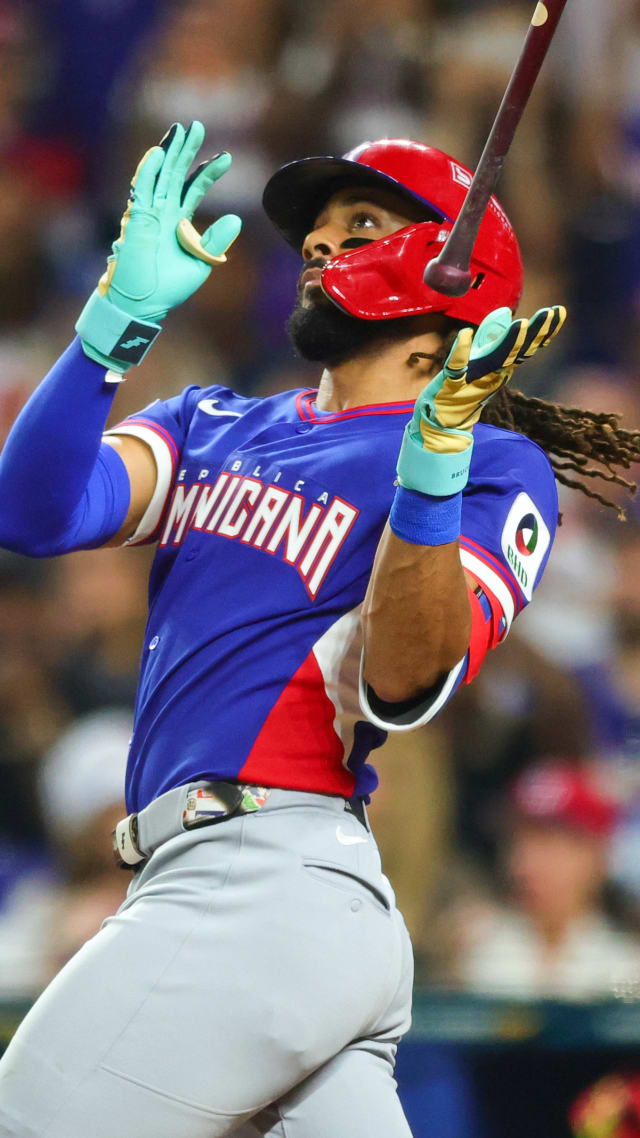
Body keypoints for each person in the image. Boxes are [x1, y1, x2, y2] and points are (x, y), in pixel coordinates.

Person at [0, 121, 637, 1137]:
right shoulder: (214, 424)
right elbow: (33, 512)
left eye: (362, 223)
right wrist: (115, 319)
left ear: (454, 269)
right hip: (253, 897)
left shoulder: (492, 464)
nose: (320, 242)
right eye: (318, 229)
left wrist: (432, 467)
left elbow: (405, 679)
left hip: (262, 880)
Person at [455, 759, 640, 1000]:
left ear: (597, 855)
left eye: (548, 843)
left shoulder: (625, 965)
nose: (524, 864)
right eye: (517, 841)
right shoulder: (472, 947)